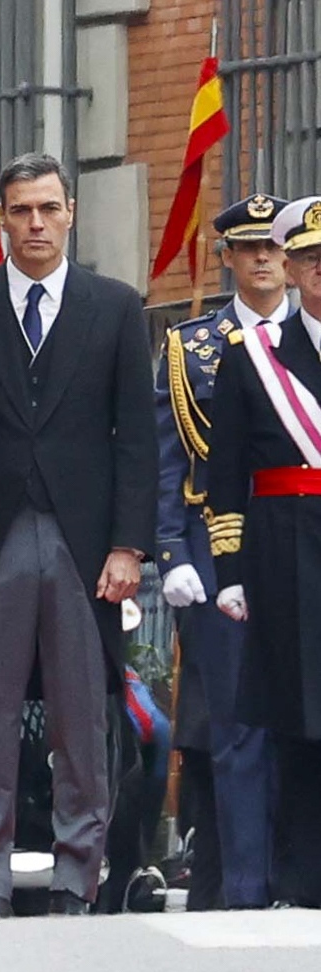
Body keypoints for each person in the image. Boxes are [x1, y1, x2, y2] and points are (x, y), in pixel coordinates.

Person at [0, 153, 158, 918]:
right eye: (20, 210)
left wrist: (129, 544)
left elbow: (135, 442)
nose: (36, 224)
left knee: (83, 717)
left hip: (86, 545)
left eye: (49, 208)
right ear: (3, 220)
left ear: (72, 213)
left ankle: (74, 879)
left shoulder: (116, 307)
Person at [155, 194, 290, 912]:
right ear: (229, 258)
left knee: (302, 720)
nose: (264, 259)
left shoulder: (314, 337)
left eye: (275, 247)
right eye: (249, 247)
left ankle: (299, 874)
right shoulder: (191, 347)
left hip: (300, 541)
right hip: (218, 545)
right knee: (237, 726)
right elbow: (165, 457)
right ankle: (245, 887)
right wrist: (171, 547)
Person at [207, 196, 321, 909]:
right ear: (292, 267)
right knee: (298, 719)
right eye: (311, 259)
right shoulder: (255, 360)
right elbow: (225, 474)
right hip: (286, 548)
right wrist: (230, 571)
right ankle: (301, 878)